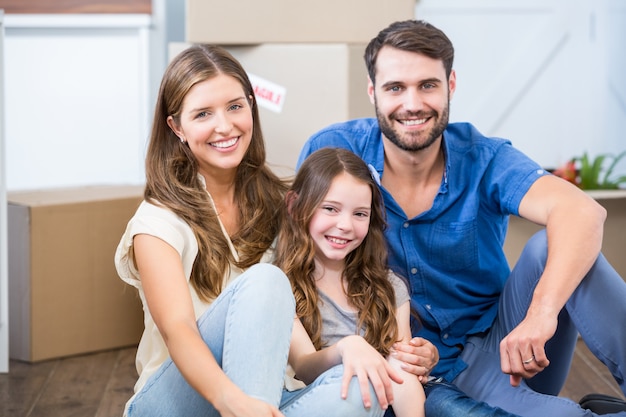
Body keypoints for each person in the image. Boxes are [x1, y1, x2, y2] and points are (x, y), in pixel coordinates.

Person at [297, 19, 626, 417]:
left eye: (428, 85)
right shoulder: (336, 152)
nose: (413, 103)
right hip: (405, 374)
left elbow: (582, 210)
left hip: (505, 355)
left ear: (450, 85)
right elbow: (298, 251)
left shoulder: (484, 157)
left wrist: (540, 314)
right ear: (373, 93)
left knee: (554, 243)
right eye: (396, 87)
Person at [114, 44, 295, 417]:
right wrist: (234, 402)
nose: (225, 126)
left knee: (362, 391)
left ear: (251, 106)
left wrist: (341, 356)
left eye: (234, 106)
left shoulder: (277, 202)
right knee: (265, 281)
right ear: (176, 127)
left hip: (264, 392)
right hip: (176, 400)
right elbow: (178, 328)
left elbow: (296, 325)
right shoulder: (156, 221)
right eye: (203, 114)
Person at [275, 147, 426, 417]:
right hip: (303, 403)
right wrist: (347, 348)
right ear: (295, 207)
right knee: (359, 384)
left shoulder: (389, 288)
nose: (345, 225)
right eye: (331, 209)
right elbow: (304, 366)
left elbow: (402, 371)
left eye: (360, 214)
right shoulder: (279, 284)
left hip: (371, 405)